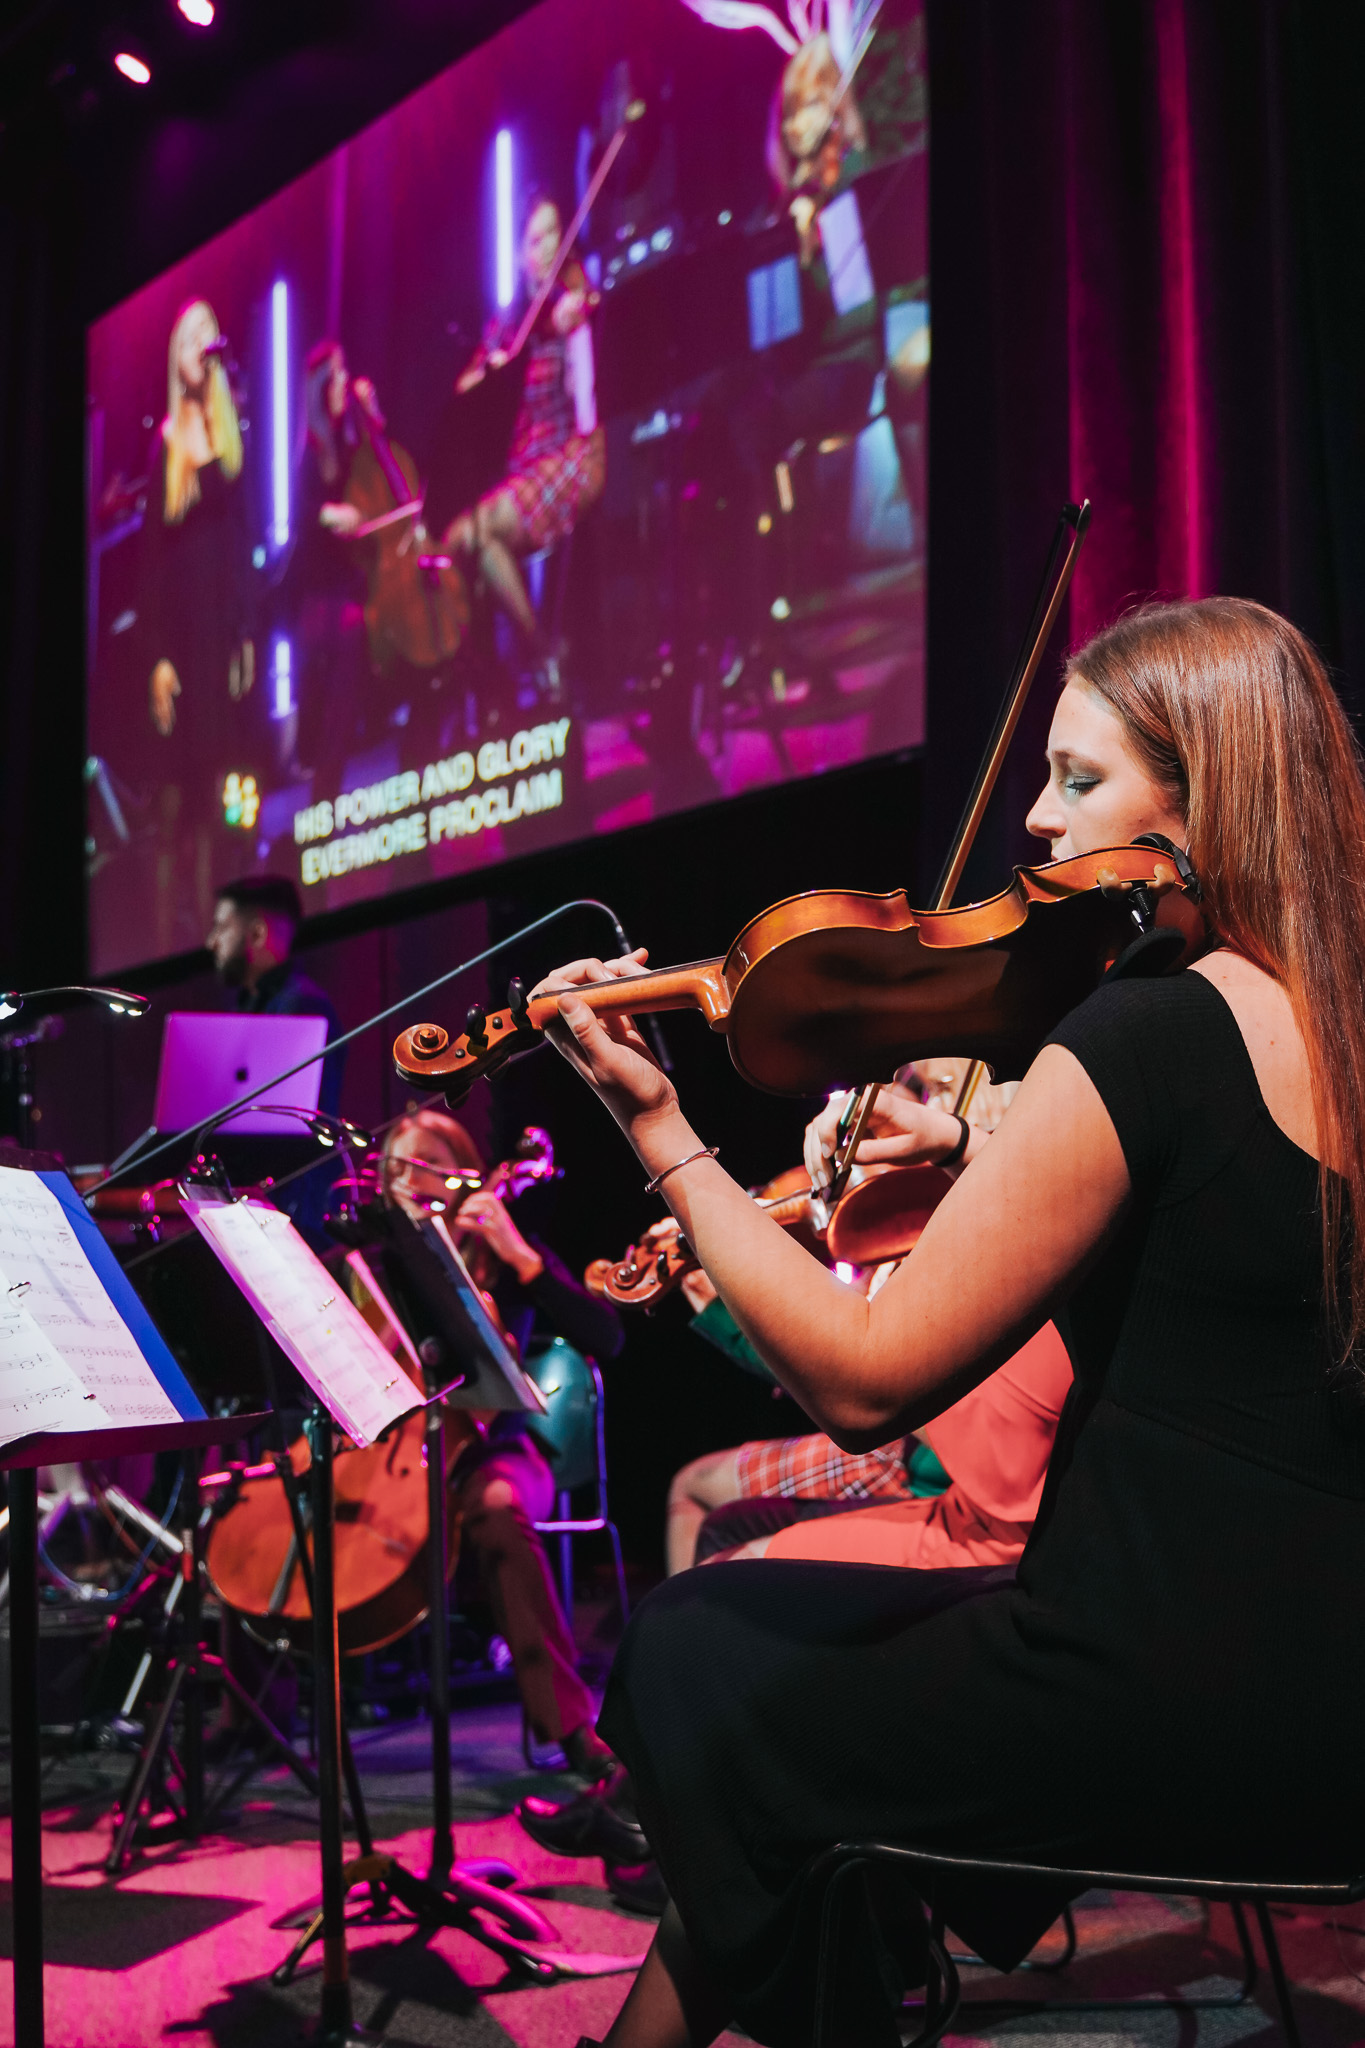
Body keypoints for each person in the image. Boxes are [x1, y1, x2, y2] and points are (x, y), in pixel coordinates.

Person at [530, 596, 1365, 2048]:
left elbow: (864, 1381)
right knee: (774, 1723)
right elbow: (1221, 1239)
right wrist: (986, 1150)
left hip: (1157, 1692)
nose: (1037, 819)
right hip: (1323, 1693)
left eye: (1080, 779)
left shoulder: (1148, 1027)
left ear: (1203, 800)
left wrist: (658, 1125)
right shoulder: (1332, 1019)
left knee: (691, 1648)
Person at [382, 1109, 622, 1778]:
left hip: (504, 1448)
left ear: (465, 1174)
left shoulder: (504, 1252)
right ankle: (255, 1716)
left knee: (494, 1504)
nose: (413, 1184)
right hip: (395, 1453)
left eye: (430, 1167)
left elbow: (606, 1337)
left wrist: (519, 1256)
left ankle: (571, 1730)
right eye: (399, 1169)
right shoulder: (382, 1256)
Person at [443, 193, 605, 688]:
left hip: (571, 456)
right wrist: (494, 372)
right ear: (519, 256)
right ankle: (533, 655)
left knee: (480, 529)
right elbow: (464, 389)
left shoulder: (570, 295)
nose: (549, 246)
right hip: (523, 471)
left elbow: (587, 380)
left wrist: (574, 322)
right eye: (536, 240)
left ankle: (538, 655)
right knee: (459, 540)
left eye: (555, 232)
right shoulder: (508, 323)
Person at [205, 874, 344, 1116]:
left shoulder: (303, 1006)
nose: (211, 942)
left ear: (258, 934)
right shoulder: (249, 1003)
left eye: (223, 927)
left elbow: (289, 1117)